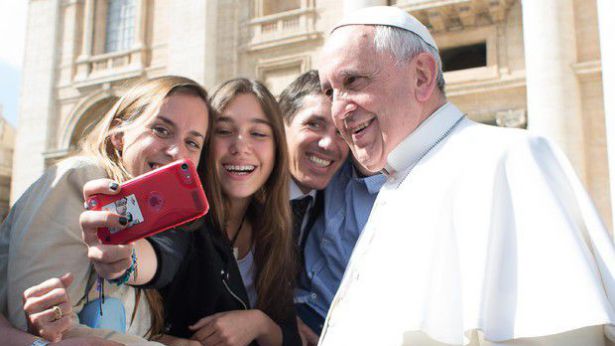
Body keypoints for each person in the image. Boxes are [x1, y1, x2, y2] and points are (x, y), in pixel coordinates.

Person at [317, 6, 615, 346]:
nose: (337, 110)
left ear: (421, 76)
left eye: (352, 81)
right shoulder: (395, 184)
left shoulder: (510, 159)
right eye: (329, 92)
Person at [81, 78, 302, 346]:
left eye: (258, 133)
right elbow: (159, 253)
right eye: (223, 131)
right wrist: (127, 259)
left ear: (278, 148)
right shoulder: (180, 212)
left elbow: (290, 334)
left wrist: (259, 324)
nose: (240, 146)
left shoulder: (278, 227)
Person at [0, 75, 211, 345]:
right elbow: (46, 329)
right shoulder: (80, 178)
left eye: (192, 143)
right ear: (119, 135)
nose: (176, 151)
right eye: (161, 130)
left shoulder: (149, 215)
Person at [278, 70, 348, 250]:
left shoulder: (343, 200)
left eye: (341, 132)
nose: (329, 144)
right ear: (280, 125)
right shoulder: (242, 196)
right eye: (314, 125)